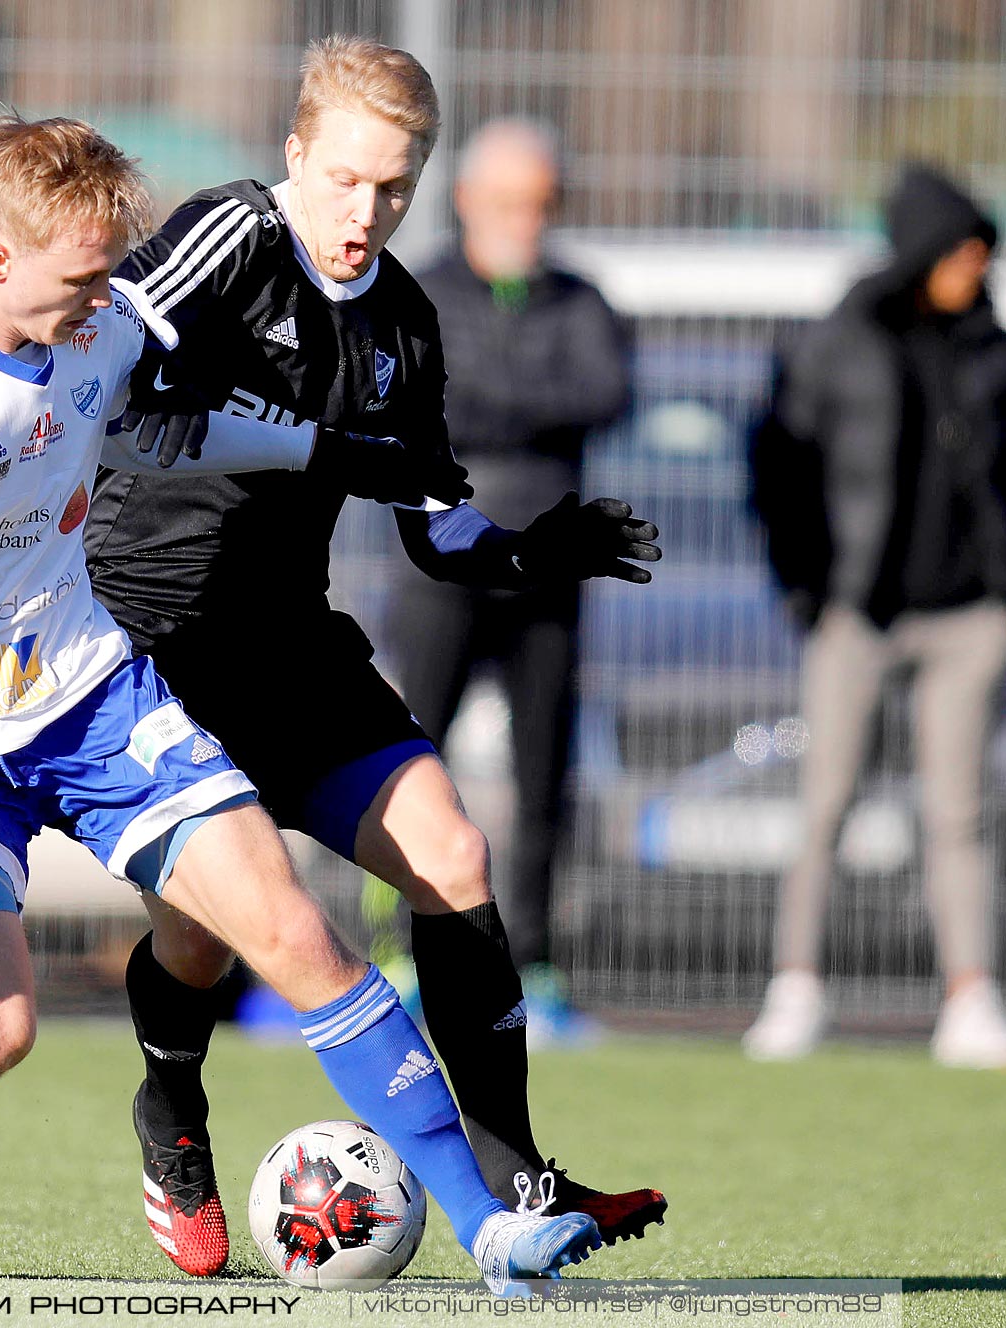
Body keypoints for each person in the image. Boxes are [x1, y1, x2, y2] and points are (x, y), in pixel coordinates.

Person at [0, 113, 602, 1297]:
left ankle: (487, 1228)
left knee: (293, 928)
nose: (107, 299)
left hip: (87, 692)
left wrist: (338, 455)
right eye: (83, 277)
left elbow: (170, 424)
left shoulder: (101, 319)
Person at [85, 37, 665, 1277]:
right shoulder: (229, 237)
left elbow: (433, 521)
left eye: (394, 187)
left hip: (289, 642)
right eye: (345, 178)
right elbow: (104, 365)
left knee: (454, 851)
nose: (365, 212)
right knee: (206, 938)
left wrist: (527, 547)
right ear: (295, 153)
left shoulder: (403, 317)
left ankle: (519, 1175)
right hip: (151, 643)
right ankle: (169, 1109)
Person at [745, 162, 1006, 1069]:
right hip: (860, 612)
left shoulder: (1000, 349)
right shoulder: (842, 339)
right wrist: (807, 586)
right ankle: (795, 989)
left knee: (959, 811)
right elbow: (780, 466)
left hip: (970, 622)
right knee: (826, 803)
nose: (975, 263)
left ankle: (971, 1000)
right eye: (961, 246)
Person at [394, 118, 634, 1044]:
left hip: (546, 576)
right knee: (405, 766)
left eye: (541, 205)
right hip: (442, 564)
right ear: (467, 201)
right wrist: (512, 409)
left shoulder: (581, 300)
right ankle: (401, 957)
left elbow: (604, 393)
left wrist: (491, 406)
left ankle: (532, 962)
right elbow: (431, 397)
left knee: (546, 779)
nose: (526, 222)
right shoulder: (425, 292)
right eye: (508, 203)